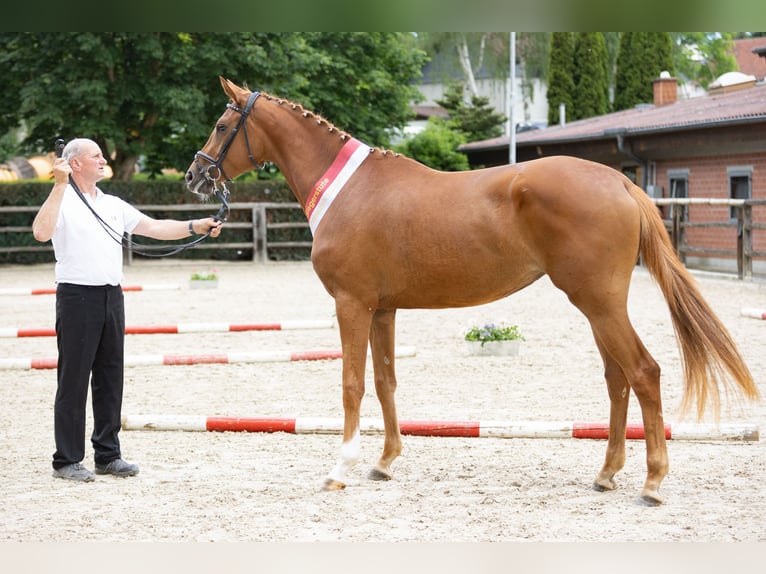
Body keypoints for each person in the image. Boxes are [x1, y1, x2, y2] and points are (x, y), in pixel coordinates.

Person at [32, 138, 223, 482]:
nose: (104, 160)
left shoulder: (113, 204)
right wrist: (59, 186)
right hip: (77, 298)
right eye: (96, 156)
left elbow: (154, 227)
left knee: (109, 378)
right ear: (74, 164)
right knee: (73, 380)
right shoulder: (61, 200)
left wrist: (197, 225)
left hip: (111, 297)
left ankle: (108, 454)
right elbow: (41, 232)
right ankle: (66, 460)